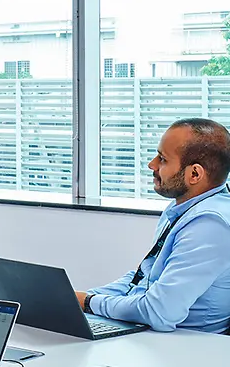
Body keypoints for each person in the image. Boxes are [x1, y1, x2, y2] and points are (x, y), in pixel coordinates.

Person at [75, 118, 230, 333]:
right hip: (151, 335)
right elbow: (145, 278)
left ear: (195, 174)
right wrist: (77, 299)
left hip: (188, 346)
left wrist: (90, 302)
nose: (152, 165)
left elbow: (160, 312)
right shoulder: (182, 208)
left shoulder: (211, 224)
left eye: (163, 159)